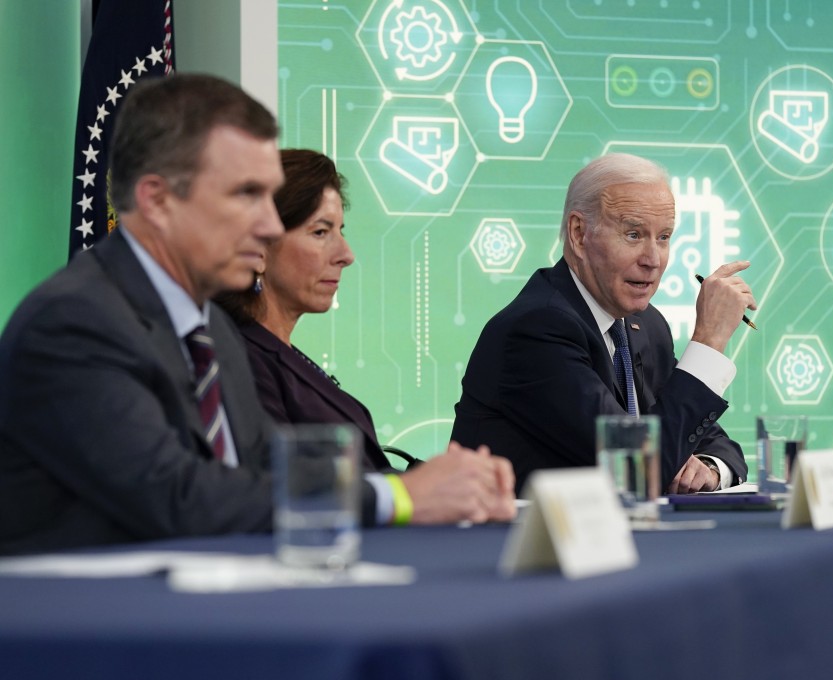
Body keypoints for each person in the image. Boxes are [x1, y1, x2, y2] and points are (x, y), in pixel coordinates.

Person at [0, 74, 509, 557]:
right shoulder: (74, 322)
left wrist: (442, 481)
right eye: (247, 194)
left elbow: (269, 464)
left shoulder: (210, 329)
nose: (268, 224)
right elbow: (180, 497)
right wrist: (397, 498)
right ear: (157, 200)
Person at [217, 149, 515, 525]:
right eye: (320, 232)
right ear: (258, 248)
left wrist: (450, 486)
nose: (346, 254)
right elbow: (283, 489)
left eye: (341, 232)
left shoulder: (278, 353)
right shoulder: (239, 358)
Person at [451, 153, 755, 496]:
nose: (652, 260)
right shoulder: (537, 329)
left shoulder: (646, 325)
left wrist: (711, 468)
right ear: (579, 234)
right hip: (516, 544)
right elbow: (637, 468)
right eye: (634, 234)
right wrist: (709, 340)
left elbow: (706, 437)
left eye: (664, 237)